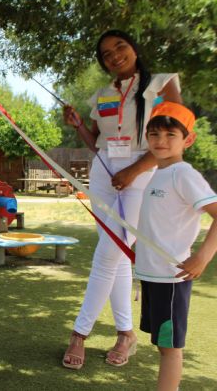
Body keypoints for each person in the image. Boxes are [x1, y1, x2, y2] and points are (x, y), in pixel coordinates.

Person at [61, 29, 183, 369]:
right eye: (106, 54)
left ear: (134, 48)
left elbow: (175, 136)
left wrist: (134, 170)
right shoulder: (103, 94)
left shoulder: (161, 84)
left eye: (120, 47)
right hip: (102, 172)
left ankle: (79, 333)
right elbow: (94, 141)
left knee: (108, 253)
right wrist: (77, 125)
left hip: (140, 172)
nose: (114, 55)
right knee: (114, 255)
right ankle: (126, 333)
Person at [136, 102, 217, 391]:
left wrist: (202, 257)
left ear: (188, 139)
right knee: (162, 344)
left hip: (171, 278)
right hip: (152, 274)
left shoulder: (184, 174)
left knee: (170, 348)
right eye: (154, 134)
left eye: (171, 135)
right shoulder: (157, 173)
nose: (161, 141)